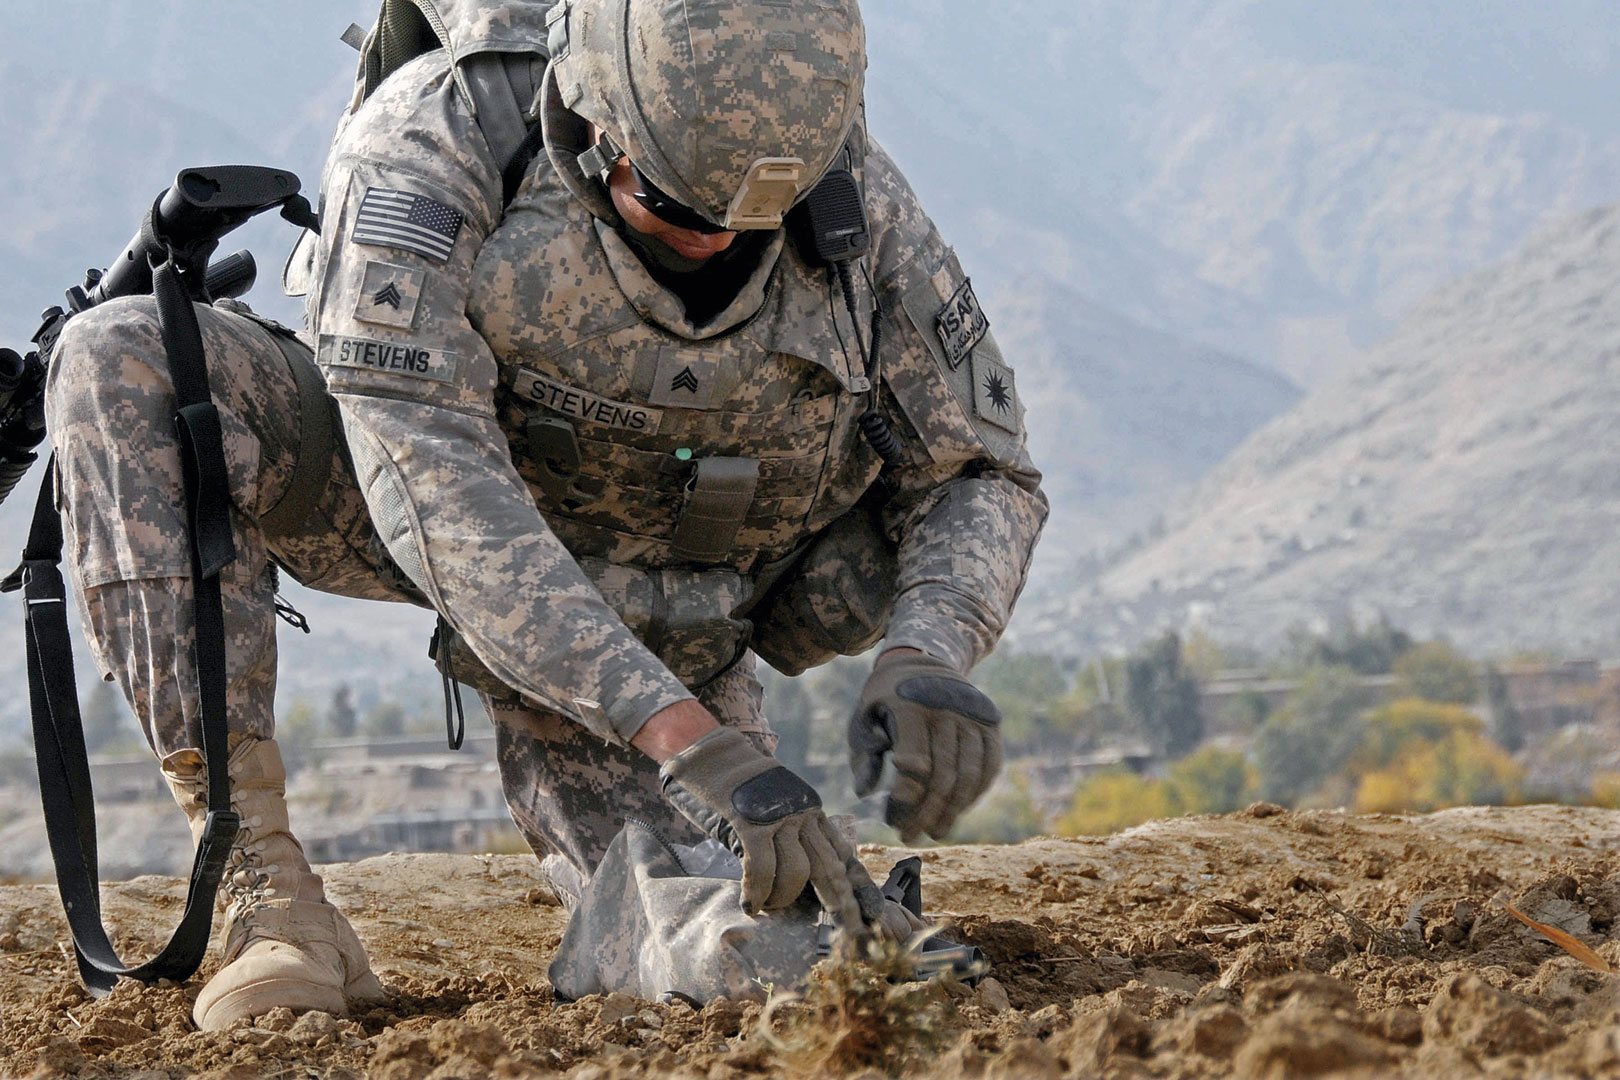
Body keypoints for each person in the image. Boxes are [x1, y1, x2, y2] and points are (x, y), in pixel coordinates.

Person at [43, 0, 1045, 1032]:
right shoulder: (442, 137)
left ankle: (753, 915)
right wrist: (684, 737)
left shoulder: (852, 199)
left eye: (752, 226)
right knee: (126, 359)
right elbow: (431, 479)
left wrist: (927, 652)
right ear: (595, 125)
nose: (718, 244)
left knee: (731, 935)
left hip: (672, 592)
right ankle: (269, 899)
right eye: (681, 211)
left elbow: (983, 472)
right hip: (413, 505)